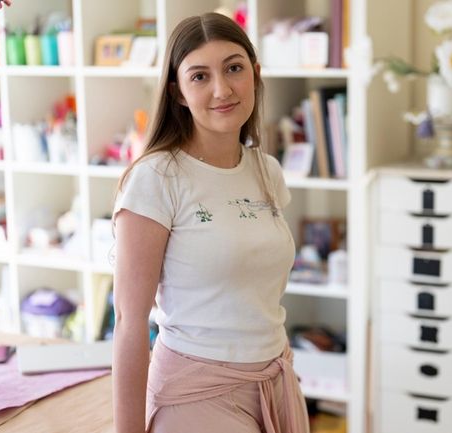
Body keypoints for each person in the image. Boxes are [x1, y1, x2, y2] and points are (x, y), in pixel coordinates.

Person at [111, 12, 309, 433]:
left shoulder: (266, 170)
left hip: (273, 381)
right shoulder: (156, 178)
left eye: (234, 68)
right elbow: (130, 321)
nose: (222, 89)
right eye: (199, 76)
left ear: (255, 75)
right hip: (196, 392)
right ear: (178, 92)